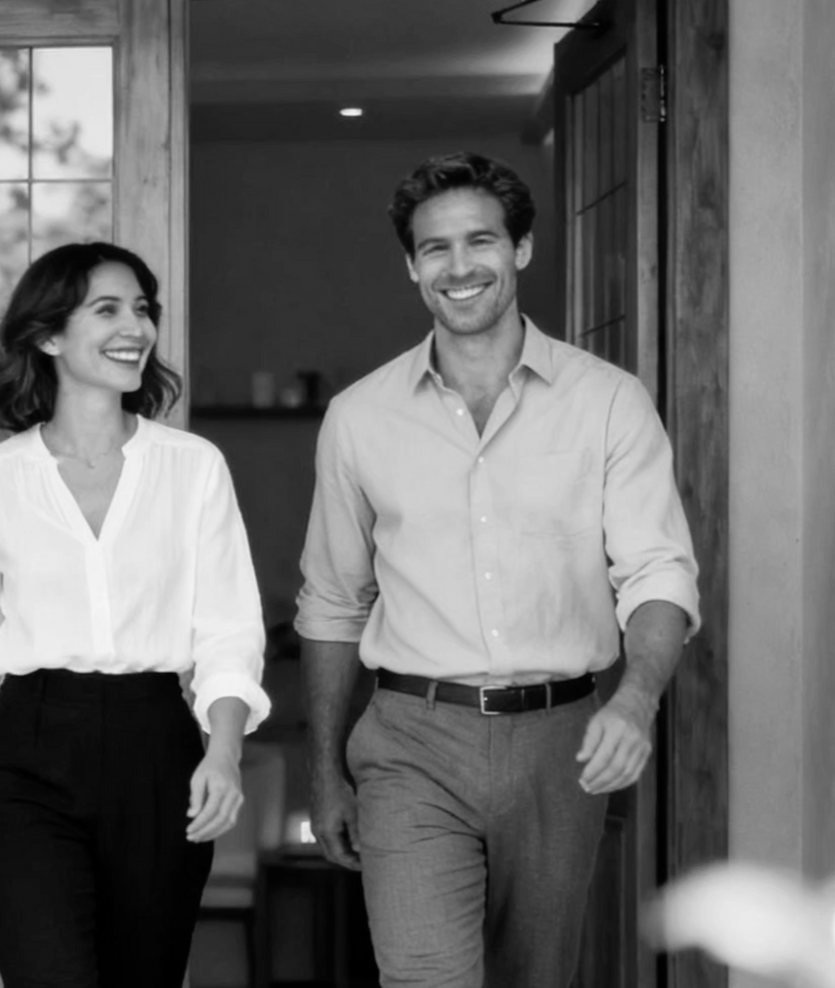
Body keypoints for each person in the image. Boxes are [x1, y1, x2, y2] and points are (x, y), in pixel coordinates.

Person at [294, 152, 700, 988]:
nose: (458, 267)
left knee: (533, 978)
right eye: (433, 249)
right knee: (425, 976)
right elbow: (333, 603)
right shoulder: (358, 419)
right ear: (411, 266)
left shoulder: (608, 402)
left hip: (562, 740)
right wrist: (325, 771)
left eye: (479, 241)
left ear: (520, 249)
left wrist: (634, 698)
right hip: (410, 739)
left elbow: (657, 571)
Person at [0, 241, 270, 988]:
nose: (134, 327)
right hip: (24, 757)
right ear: (47, 336)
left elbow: (229, 631)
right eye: (106, 309)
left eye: (141, 309)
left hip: (157, 752)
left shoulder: (192, 466)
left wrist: (224, 750)